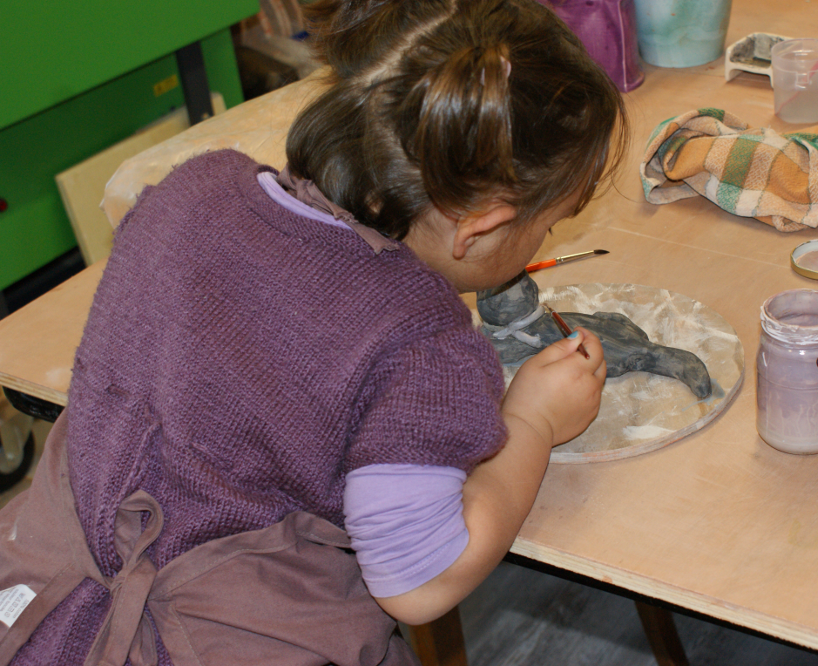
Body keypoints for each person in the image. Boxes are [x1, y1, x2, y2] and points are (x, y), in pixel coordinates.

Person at [0, 0, 627, 663]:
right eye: (546, 226)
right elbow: (419, 581)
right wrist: (532, 423)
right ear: (482, 227)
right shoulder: (423, 342)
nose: (543, 242)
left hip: (38, 604)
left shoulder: (193, 187)